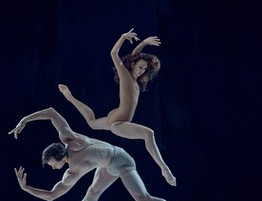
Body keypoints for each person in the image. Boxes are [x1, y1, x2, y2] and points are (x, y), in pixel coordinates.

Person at [8, 105, 196, 201]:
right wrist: (27, 189)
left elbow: (51, 112)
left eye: (51, 164)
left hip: (121, 160)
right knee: (92, 193)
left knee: (143, 199)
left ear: (61, 157)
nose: (52, 167)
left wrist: (24, 120)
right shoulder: (71, 173)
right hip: (106, 165)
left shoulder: (73, 141)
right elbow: (52, 195)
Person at [59, 28, 177, 186]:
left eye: (145, 69)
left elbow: (136, 54)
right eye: (140, 67)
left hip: (114, 116)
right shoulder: (125, 74)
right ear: (133, 65)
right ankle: (164, 168)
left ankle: (69, 97)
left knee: (92, 123)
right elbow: (113, 54)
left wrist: (143, 43)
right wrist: (122, 37)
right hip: (118, 123)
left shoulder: (134, 78)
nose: (143, 71)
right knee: (149, 133)